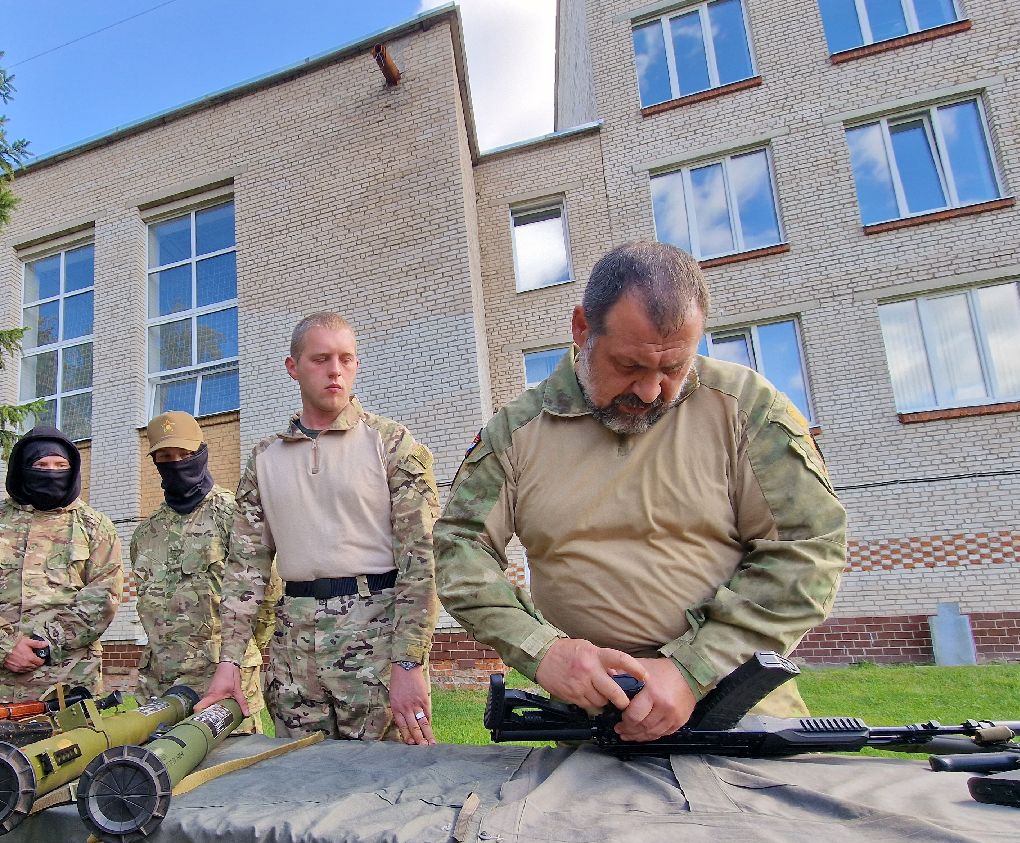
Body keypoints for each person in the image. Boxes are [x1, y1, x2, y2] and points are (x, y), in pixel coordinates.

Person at [435, 241, 847, 739]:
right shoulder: (517, 433)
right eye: (630, 366)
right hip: (588, 719)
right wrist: (542, 650)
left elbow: (809, 548)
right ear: (582, 329)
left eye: (673, 369)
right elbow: (460, 548)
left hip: (737, 708)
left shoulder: (747, 411)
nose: (651, 391)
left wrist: (692, 669)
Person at [196, 312, 441, 745]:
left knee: (386, 786)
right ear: (293, 367)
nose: (335, 371)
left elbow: (422, 560)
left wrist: (409, 663)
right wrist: (230, 662)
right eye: (321, 359)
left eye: (347, 359)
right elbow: (244, 571)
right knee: (298, 779)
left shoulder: (390, 444)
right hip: (294, 653)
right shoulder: (266, 459)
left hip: (375, 644)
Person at [0, 425, 123, 703]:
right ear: (21, 469)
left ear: (72, 469)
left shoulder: (94, 525)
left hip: (70, 684)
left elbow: (104, 595)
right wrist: (5, 646)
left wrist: (46, 645)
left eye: (59, 465)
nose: (51, 471)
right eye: (41, 465)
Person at [129, 410, 279, 733]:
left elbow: (268, 594)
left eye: (185, 454)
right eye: (166, 457)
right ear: (155, 462)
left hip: (224, 685)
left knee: (231, 778)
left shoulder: (233, 514)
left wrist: (240, 651)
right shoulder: (145, 534)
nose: (177, 463)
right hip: (161, 688)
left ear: (201, 453)